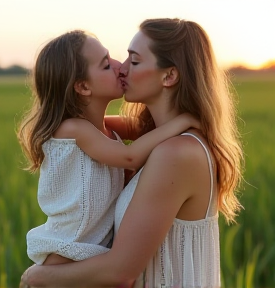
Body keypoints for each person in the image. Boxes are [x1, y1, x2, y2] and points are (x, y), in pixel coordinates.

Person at [21, 18, 244, 288]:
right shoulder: (156, 140)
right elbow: (111, 130)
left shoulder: (176, 153)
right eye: (114, 61)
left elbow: (120, 273)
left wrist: (38, 276)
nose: (122, 69)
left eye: (134, 61)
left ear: (169, 76)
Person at [17, 29, 199, 268]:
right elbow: (130, 156)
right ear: (83, 87)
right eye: (105, 65)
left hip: (90, 254)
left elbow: (143, 129)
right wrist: (184, 121)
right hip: (65, 255)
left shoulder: (100, 130)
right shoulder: (73, 129)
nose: (119, 67)